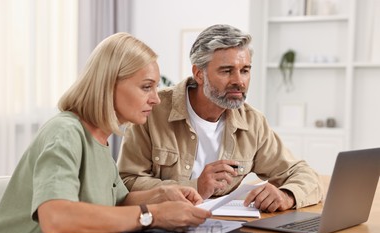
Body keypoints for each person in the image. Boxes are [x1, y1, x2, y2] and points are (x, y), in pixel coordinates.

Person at [0, 32, 211, 233]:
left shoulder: (99, 139)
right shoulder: (65, 132)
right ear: (108, 84)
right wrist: (154, 215)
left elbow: (117, 202)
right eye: (146, 87)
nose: (155, 98)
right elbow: (55, 218)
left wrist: (161, 195)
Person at [117, 24, 323, 213]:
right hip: (162, 225)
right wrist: (195, 186)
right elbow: (126, 183)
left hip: (224, 230)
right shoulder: (152, 109)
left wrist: (287, 195)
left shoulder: (252, 123)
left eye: (245, 71)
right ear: (199, 74)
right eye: (226, 71)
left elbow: (304, 175)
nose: (239, 81)